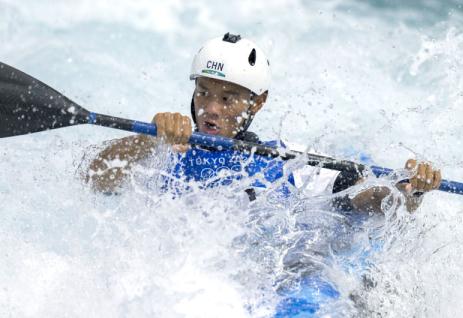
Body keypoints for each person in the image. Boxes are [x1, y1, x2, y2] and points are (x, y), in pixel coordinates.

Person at [85, 31, 442, 213]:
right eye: (203, 92)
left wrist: (408, 190)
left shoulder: (288, 161)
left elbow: (361, 197)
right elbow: (94, 177)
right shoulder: (163, 150)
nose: (211, 108)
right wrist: (147, 140)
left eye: (227, 99)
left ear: (258, 102)